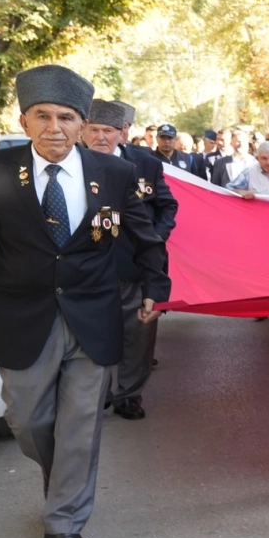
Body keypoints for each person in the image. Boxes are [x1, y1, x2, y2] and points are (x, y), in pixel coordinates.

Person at [0, 66, 169, 538]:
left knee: (81, 426)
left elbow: (144, 235)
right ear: (25, 121)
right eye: (43, 116)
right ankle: (63, 484)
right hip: (20, 317)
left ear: (82, 125)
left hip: (94, 315)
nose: (54, 127)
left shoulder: (114, 173)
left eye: (66, 118)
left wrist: (155, 288)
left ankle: (64, 522)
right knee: (27, 419)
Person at [83, 98, 178, 421]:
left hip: (135, 266)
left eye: (109, 130)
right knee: (89, 334)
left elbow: (167, 205)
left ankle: (128, 395)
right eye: (94, 130)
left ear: (122, 132)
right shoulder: (71, 163)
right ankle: (95, 395)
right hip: (87, 268)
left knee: (137, 336)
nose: (101, 137)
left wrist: (154, 238)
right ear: (83, 130)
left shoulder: (145, 163)